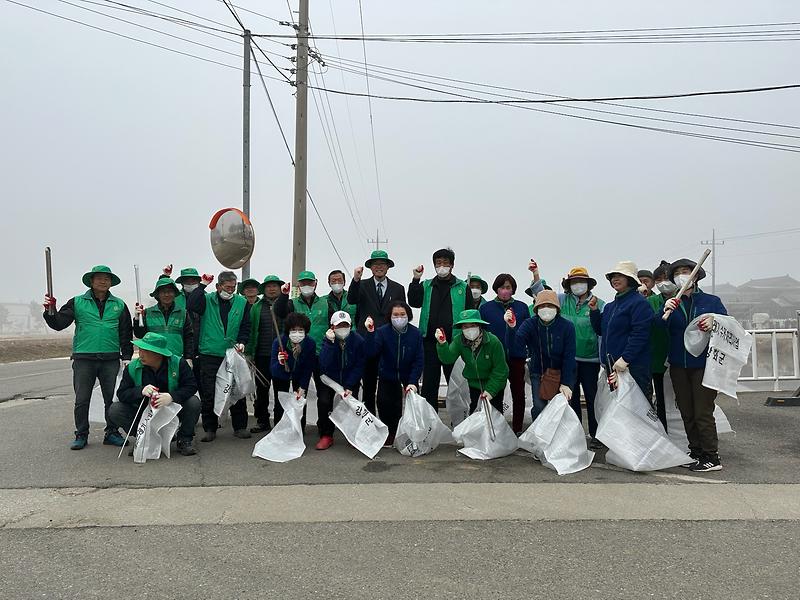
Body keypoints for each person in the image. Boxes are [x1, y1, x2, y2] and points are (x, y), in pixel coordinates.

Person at [43, 265, 133, 450]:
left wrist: (127, 357)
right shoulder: (77, 302)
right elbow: (59, 324)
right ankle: (81, 434)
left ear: (111, 283)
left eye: (106, 278)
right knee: (82, 399)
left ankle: (112, 432)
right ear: (91, 281)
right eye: (99, 278)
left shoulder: (119, 305)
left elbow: (126, 333)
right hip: (84, 358)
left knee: (112, 398)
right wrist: (50, 311)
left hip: (110, 359)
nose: (103, 281)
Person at [660, 258, 727, 472]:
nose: (683, 275)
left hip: (704, 365)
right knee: (687, 411)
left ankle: (712, 456)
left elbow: (728, 326)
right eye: (678, 272)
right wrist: (664, 313)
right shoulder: (672, 303)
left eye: (687, 271)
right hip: (679, 364)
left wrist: (715, 322)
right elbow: (658, 329)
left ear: (696, 275)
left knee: (703, 411)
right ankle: (696, 450)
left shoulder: (711, 301)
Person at [109, 332, 201, 457]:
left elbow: (191, 386)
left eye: (145, 351)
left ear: (158, 353)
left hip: (172, 408)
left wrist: (172, 396)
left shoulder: (179, 363)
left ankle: (184, 439)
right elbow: (122, 394)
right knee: (115, 409)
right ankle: (142, 438)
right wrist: (140, 391)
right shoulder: (132, 368)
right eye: (140, 350)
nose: (140, 354)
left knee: (193, 402)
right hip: (143, 411)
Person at [186, 271, 251, 442]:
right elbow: (191, 304)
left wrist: (243, 341)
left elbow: (246, 326)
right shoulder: (206, 300)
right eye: (227, 287)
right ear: (218, 286)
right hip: (209, 353)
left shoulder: (242, 302)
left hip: (232, 353)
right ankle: (210, 428)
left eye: (233, 287)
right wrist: (202, 285)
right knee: (209, 392)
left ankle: (240, 426)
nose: (230, 291)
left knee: (236, 390)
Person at [408, 248, 468, 410]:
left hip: (454, 343)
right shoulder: (427, 285)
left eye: (445, 263)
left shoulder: (462, 287)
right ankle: (431, 423)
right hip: (430, 342)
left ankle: (460, 420)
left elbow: (469, 314)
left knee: (456, 383)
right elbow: (414, 302)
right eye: (438, 263)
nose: (442, 266)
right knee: (429, 384)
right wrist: (415, 280)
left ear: (452, 265)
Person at [348, 250, 406, 415]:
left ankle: (391, 421)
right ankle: (369, 422)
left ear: (388, 267)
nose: (379, 267)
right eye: (375, 264)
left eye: (383, 264)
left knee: (391, 384)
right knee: (368, 385)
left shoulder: (398, 288)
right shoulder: (362, 285)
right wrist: (356, 279)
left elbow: (402, 313)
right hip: (367, 340)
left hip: (389, 341)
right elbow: (351, 299)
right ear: (371, 267)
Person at [589, 261, 653, 398]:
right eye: (613, 276)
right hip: (612, 367)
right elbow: (601, 331)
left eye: (620, 276)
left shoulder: (639, 303)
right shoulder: (610, 307)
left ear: (630, 279)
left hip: (634, 367)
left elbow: (640, 334)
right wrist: (594, 311)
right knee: (618, 411)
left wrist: (625, 359)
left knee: (637, 410)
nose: (615, 279)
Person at [557, 267, 605, 448]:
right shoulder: (562, 300)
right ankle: (575, 433)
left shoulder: (599, 303)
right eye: (574, 282)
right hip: (568, 358)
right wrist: (536, 275)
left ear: (588, 283)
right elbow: (542, 297)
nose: (577, 285)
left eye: (581, 281)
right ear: (569, 285)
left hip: (590, 360)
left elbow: (602, 328)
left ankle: (596, 434)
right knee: (571, 397)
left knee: (593, 397)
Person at [510, 290, 576, 423]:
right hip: (538, 372)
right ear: (536, 309)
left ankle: (558, 437)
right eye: (542, 306)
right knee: (539, 406)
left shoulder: (567, 326)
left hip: (560, 373)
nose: (546, 309)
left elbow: (569, 356)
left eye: (550, 306)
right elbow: (516, 346)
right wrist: (511, 328)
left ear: (557, 309)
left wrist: (566, 383)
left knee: (560, 408)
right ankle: (538, 435)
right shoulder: (529, 324)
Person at [364, 301, 424, 446]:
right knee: (385, 403)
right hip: (388, 374)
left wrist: (412, 381)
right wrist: (370, 333)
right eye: (395, 315)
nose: (399, 318)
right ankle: (390, 432)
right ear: (390, 316)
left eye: (402, 314)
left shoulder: (415, 333)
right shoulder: (382, 331)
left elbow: (419, 359)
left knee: (412, 404)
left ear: (408, 315)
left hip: (408, 375)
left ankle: (413, 432)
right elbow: (371, 352)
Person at [479, 273, 530, 434]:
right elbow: (482, 333)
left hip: (517, 356)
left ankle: (517, 429)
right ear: (496, 289)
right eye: (501, 287)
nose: (505, 290)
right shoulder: (486, 308)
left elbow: (527, 331)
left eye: (508, 287)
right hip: (495, 358)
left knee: (518, 394)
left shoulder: (521, 307)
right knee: (496, 393)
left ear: (513, 289)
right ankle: (498, 429)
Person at [436, 309, 509, 415]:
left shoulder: (493, 342)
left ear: (479, 325)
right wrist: (442, 344)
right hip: (474, 385)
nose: (469, 329)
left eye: (472, 325)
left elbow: (501, 370)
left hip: (494, 384)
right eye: (465, 327)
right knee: (475, 412)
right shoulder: (459, 340)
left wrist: (490, 391)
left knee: (495, 414)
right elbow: (448, 358)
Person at [317, 311, 366, 450]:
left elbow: (360, 365)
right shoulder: (327, 339)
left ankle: (353, 435)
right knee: (324, 401)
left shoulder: (358, 340)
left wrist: (350, 384)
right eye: (339, 326)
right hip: (330, 379)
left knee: (353, 404)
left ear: (351, 326)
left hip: (349, 379)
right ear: (332, 327)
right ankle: (326, 435)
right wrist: (329, 344)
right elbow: (324, 363)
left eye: (345, 325)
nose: (342, 328)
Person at [246, 275, 286, 433]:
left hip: (281, 355)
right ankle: (262, 421)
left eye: (275, 285)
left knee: (280, 389)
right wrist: (249, 352)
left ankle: (280, 422)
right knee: (262, 390)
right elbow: (251, 330)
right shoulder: (256, 306)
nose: (272, 289)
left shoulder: (286, 304)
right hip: (261, 354)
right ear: (264, 289)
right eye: (268, 286)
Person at [271, 312, 316, 428]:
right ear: (288, 330)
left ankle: (299, 430)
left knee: (300, 402)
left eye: (300, 330)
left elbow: (308, 368)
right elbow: (273, 370)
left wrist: (303, 387)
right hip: (282, 377)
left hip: (299, 375)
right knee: (280, 404)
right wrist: (280, 363)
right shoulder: (279, 342)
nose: (297, 333)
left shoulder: (310, 343)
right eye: (293, 330)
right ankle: (279, 429)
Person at [133, 277, 193, 360]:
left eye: (170, 291)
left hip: (176, 359)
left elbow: (189, 337)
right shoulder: (147, 313)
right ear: (157, 294)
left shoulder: (183, 313)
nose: (167, 294)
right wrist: (137, 319)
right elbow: (140, 335)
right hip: (153, 360)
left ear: (175, 293)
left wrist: (188, 358)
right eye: (163, 292)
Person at [648, 260, 676, 431]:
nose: (662, 283)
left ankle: (686, 436)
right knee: (660, 398)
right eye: (658, 280)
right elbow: (652, 323)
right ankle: (663, 431)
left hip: (680, 357)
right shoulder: (651, 301)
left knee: (681, 398)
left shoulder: (686, 297)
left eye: (666, 278)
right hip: (657, 357)